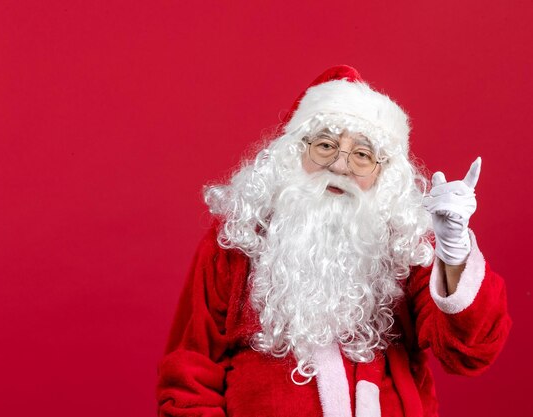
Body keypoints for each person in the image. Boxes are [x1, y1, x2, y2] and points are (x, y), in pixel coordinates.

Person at [156, 65, 511, 417]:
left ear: (383, 173)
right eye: (325, 145)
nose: (340, 167)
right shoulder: (239, 238)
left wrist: (454, 250)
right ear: (295, 152)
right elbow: (189, 374)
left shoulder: (405, 246)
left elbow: (469, 352)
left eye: (361, 155)